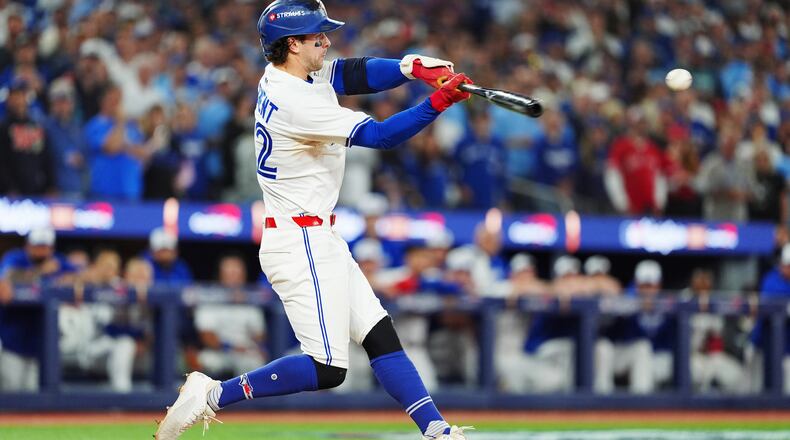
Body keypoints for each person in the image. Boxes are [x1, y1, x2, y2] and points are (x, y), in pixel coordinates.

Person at [156, 1, 472, 439]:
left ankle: (436, 430)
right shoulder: (294, 101)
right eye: (315, 35)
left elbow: (351, 74)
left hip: (316, 234)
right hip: (299, 240)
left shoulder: (287, 75)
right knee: (328, 368)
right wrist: (437, 101)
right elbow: (380, 136)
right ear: (291, 44)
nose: (325, 40)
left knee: (379, 334)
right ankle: (212, 395)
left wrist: (410, 67)